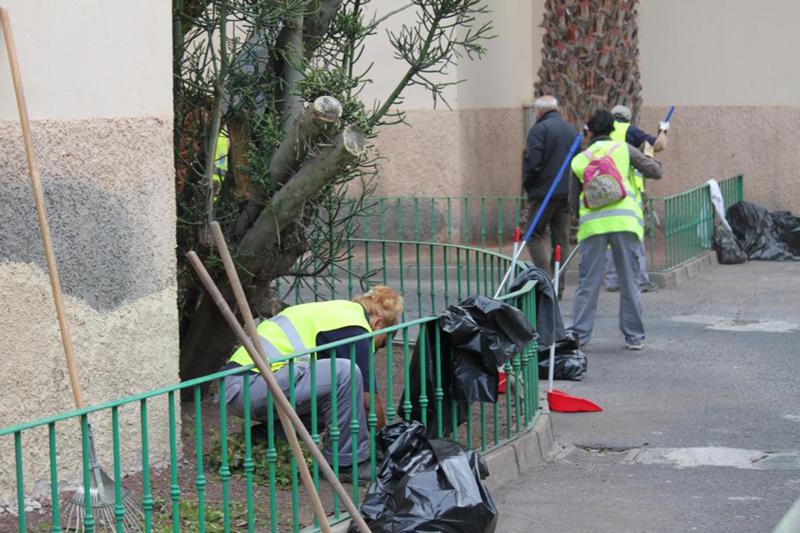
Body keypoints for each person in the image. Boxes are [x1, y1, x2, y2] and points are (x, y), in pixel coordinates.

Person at [221, 285, 403, 480]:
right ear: (378, 324)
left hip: (244, 387)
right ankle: (348, 464)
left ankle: (266, 438)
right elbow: (368, 403)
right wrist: (385, 443)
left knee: (337, 400)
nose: (375, 350)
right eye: (381, 343)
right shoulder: (356, 327)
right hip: (250, 385)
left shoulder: (338, 314)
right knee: (345, 372)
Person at [569, 110, 662, 351]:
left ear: (589, 132)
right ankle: (634, 337)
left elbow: (572, 203)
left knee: (587, 284)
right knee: (630, 281)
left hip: (593, 227)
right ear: (612, 129)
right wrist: (650, 154)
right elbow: (655, 172)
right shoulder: (623, 149)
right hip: (625, 223)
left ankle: (579, 336)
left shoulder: (579, 159)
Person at [604, 104, 669, 292]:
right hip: (629, 195)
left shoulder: (602, 133)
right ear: (628, 118)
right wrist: (663, 130)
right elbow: (658, 145)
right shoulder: (630, 131)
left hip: (605, 192)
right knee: (635, 236)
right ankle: (640, 280)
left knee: (610, 237)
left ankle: (612, 280)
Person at [522, 95, 578, 289]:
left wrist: (528, 185)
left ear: (539, 111)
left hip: (544, 192)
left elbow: (533, 163)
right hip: (566, 193)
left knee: (533, 235)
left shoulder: (539, 129)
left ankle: (545, 282)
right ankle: (558, 285)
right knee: (561, 240)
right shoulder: (570, 130)